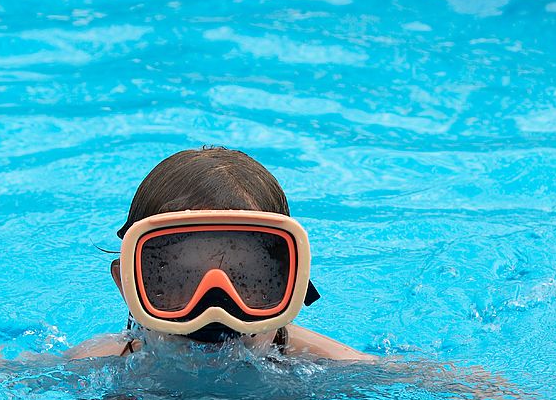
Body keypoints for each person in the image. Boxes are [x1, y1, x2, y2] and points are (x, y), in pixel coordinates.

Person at [66, 146, 374, 362]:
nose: (215, 309)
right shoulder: (96, 364)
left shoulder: (338, 366)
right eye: (179, 279)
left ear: (291, 284)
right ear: (127, 285)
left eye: (247, 279)